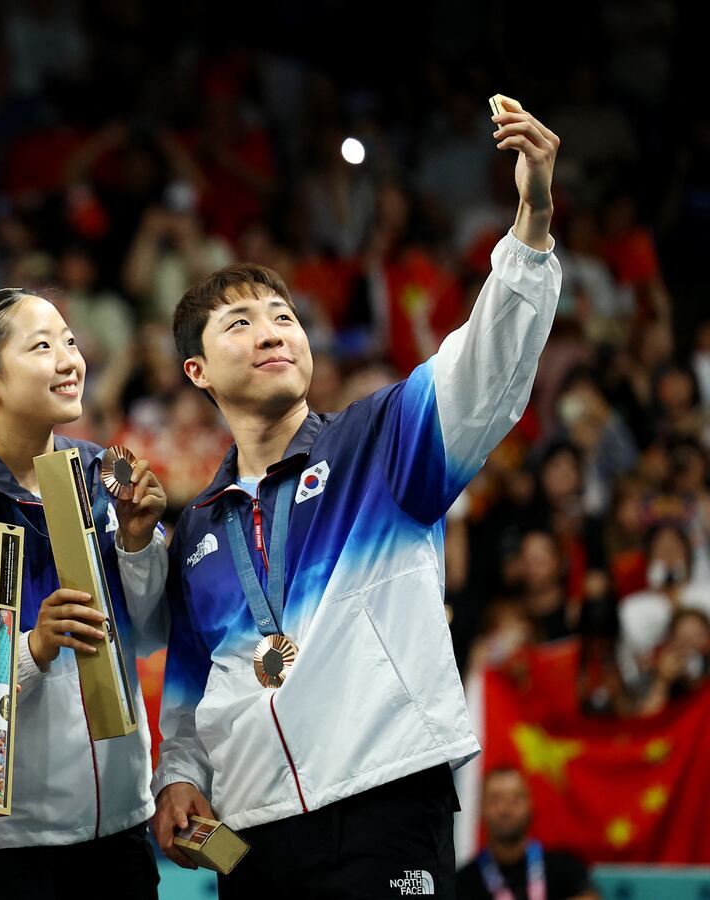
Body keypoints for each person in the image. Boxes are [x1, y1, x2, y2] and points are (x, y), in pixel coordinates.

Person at [152, 98, 563, 898]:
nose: (274, 331)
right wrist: (177, 779)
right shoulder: (199, 529)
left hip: (385, 800)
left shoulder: (380, 444)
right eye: (241, 323)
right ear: (197, 372)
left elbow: (485, 368)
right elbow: (191, 688)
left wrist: (532, 227)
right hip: (253, 833)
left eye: (284, 316)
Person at [0, 290, 170, 898]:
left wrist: (137, 544)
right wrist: (30, 648)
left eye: (70, 341)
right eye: (42, 346)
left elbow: (155, 633)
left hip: (118, 825)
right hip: (1, 847)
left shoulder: (109, 475)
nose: (69, 358)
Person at [456, 768, 599, 900]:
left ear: (531, 805)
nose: (505, 809)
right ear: (481, 808)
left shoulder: (565, 867)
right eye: (495, 799)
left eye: (515, 799)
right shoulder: (463, 881)